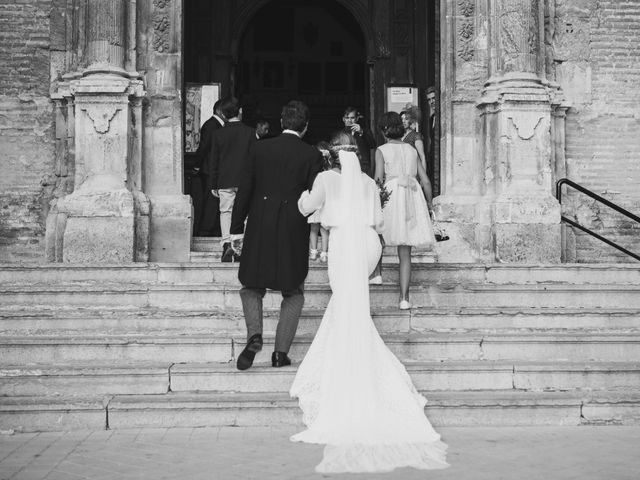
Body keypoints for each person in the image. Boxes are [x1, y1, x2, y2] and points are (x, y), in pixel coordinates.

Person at [291, 131, 448, 474]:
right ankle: (356, 348)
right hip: (367, 243)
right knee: (352, 300)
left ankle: (348, 356)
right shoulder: (364, 181)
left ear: (333, 155)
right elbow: (378, 220)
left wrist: (304, 195)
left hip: (344, 243)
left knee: (343, 298)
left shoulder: (324, 178)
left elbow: (306, 206)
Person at [230, 100, 323, 370]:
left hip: (259, 222)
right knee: (293, 291)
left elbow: (245, 187)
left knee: (250, 285)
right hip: (293, 226)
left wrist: (236, 228)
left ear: (282, 123)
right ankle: (280, 354)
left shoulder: (259, 148)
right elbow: (314, 197)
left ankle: (255, 334)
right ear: (305, 127)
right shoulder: (310, 155)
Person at [374, 112, 436, 310]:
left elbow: (377, 180)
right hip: (412, 194)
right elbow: (425, 180)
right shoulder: (411, 150)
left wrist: (373, 201)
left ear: (384, 130)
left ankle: (377, 273)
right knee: (405, 251)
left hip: (391, 193)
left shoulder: (381, 150)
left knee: (379, 233)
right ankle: (404, 298)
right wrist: (429, 204)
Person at [203, 96, 256, 262]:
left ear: (224, 114)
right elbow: (255, 158)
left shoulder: (218, 134)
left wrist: (213, 183)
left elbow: (214, 160)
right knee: (244, 213)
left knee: (226, 211)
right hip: (245, 180)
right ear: (240, 112)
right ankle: (239, 246)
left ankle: (226, 243)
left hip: (225, 180)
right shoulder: (249, 132)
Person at [194, 100, 226, 236]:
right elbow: (204, 147)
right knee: (211, 200)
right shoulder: (212, 125)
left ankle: (211, 227)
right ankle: (206, 229)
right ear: (219, 111)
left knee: (213, 199)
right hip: (208, 168)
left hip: (211, 168)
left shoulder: (216, 125)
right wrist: (197, 164)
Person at [308, 142, 331, 263]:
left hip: (315, 199)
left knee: (313, 228)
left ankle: (313, 252)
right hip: (325, 200)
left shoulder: (312, 168)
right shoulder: (329, 169)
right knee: (324, 228)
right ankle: (324, 253)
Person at [341, 107, 376, 177]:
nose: (349, 120)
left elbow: (373, 145)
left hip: (363, 169)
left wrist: (361, 132)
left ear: (357, 119)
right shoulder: (340, 134)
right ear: (343, 119)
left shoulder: (365, 131)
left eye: (352, 118)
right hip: (346, 168)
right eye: (347, 118)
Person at [401, 105, 427, 174]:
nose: (403, 121)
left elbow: (422, 157)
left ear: (411, 120)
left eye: (406, 119)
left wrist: (423, 177)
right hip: (401, 170)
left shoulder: (416, 136)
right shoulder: (399, 136)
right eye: (401, 119)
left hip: (413, 170)